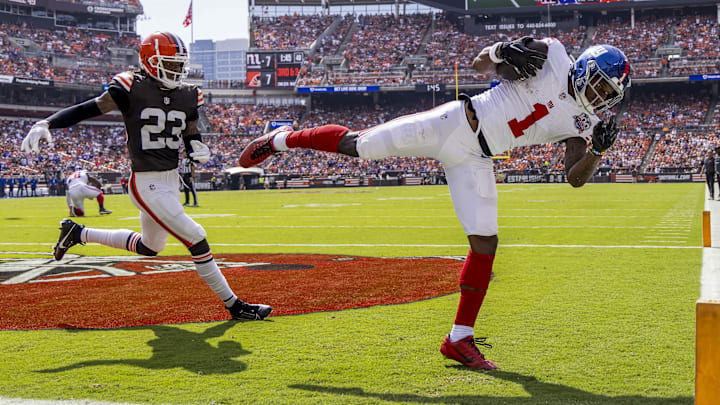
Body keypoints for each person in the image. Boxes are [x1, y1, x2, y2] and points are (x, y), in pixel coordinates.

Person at [239, 37, 630, 369]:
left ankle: (459, 338)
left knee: (486, 242)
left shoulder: (587, 123)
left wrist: (597, 150)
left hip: (476, 158)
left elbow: (574, 178)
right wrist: (501, 52)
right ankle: (281, 139)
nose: (598, 96)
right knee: (360, 145)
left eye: (607, 93)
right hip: (456, 122)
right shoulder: (552, 54)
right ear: (583, 67)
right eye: (597, 84)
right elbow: (482, 65)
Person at [21, 31, 271, 321]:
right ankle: (234, 305)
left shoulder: (188, 94)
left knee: (151, 247)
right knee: (197, 238)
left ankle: (78, 233)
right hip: (146, 182)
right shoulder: (130, 87)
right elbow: (88, 108)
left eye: (180, 64)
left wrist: (195, 147)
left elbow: (190, 130)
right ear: (150, 62)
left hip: (170, 179)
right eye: (171, 63)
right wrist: (47, 122)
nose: (177, 69)